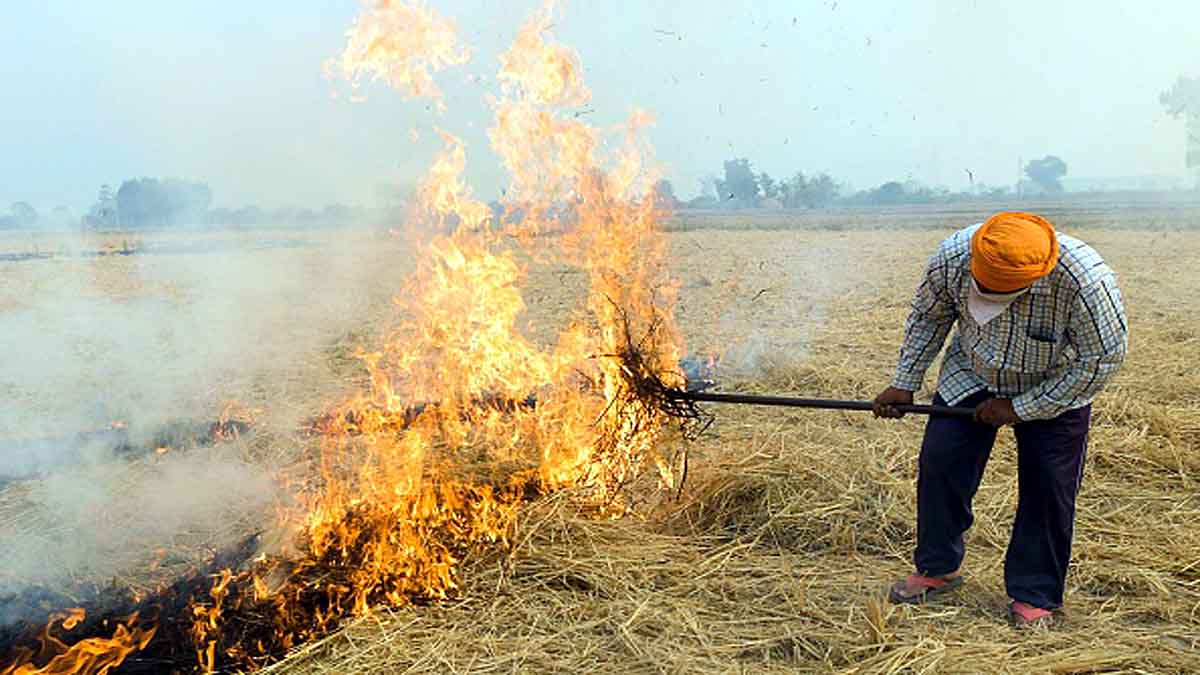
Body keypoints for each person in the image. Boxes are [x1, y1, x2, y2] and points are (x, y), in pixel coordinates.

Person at [872, 211, 1127, 627]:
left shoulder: (1083, 280)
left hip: (1055, 384)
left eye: (1000, 291)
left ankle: (1035, 593)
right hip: (971, 369)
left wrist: (1021, 409)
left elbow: (1101, 361)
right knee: (941, 463)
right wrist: (905, 382)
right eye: (982, 285)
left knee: (1048, 485)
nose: (986, 293)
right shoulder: (954, 255)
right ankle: (937, 568)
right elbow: (929, 317)